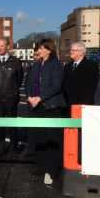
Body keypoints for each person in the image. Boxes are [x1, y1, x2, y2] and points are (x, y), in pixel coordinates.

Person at [25, 39, 66, 186]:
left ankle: (51, 171)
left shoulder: (56, 65)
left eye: (41, 48)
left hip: (51, 107)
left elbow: (56, 86)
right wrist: (30, 96)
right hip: (36, 106)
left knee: (52, 140)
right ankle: (41, 167)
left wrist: (40, 98)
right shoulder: (36, 65)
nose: (39, 51)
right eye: (38, 49)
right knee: (39, 137)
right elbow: (28, 82)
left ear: (49, 50)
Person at [0, 38, 23, 154]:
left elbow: (19, 79)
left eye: (2, 45)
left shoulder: (16, 62)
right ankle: (0, 148)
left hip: (11, 98)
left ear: (8, 47)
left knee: (12, 125)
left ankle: (14, 147)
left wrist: (12, 92)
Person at [62, 41, 99, 108]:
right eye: (71, 50)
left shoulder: (91, 65)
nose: (71, 52)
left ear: (81, 52)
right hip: (67, 104)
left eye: (74, 50)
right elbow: (64, 84)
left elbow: (91, 87)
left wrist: (84, 104)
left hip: (83, 105)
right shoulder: (67, 66)